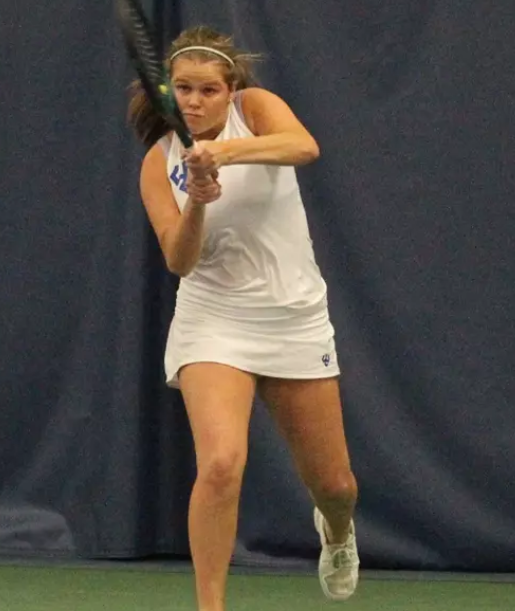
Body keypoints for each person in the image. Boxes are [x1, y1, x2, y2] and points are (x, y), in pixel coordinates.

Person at [127, 25, 360, 611]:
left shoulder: (256, 111)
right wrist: (199, 200)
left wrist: (222, 153)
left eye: (208, 90)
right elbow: (180, 260)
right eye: (183, 89)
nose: (194, 101)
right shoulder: (158, 166)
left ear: (231, 91)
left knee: (336, 487)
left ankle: (336, 533)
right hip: (213, 320)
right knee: (223, 462)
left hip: (294, 317)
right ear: (168, 93)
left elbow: (303, 146)